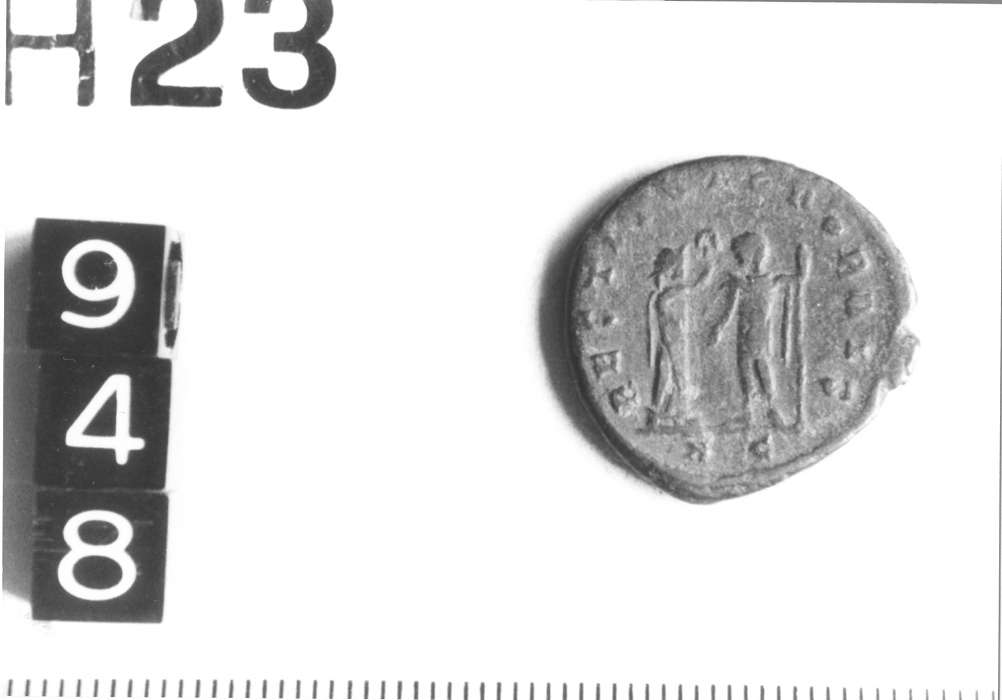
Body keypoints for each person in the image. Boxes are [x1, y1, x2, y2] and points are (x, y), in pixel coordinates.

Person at [647, 245, 709, 421]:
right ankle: (674, 411)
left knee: (669, 373)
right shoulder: (665, 296)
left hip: (671, 339)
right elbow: (695, 288)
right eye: (675, 269)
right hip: (673, 340)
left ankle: (666, 411)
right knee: (676, 374)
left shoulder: (665, 295)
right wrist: (707, 269)